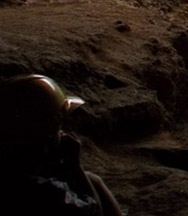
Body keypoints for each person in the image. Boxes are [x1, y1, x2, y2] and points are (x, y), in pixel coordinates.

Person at [0, 74, 123, 215]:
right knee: (93, 181)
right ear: (47, 134)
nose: (63, 132)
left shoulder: (13, 161)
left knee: (93, 179)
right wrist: (75, 166)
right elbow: (94, 211)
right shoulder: (47, 190)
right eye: (59, 126)